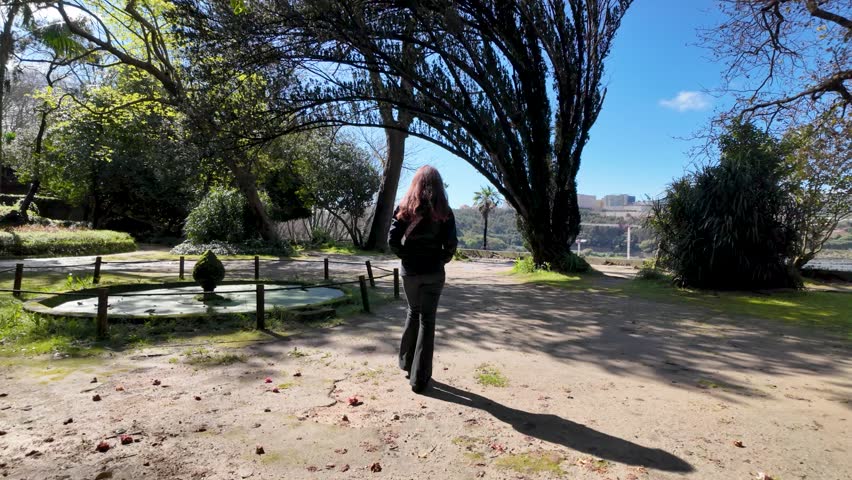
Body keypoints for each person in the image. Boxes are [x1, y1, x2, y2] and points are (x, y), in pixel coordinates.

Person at [388, 165, 458, 393]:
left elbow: (392, 240)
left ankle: (407, 363)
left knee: (413, 312)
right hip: (433, 272)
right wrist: (439, 260)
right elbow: (451, 245)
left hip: (410, 272)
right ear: (439, 185)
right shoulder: (445, 210)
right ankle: (420, 379)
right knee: (427, 321)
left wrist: (407, 257)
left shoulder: (404, 208)